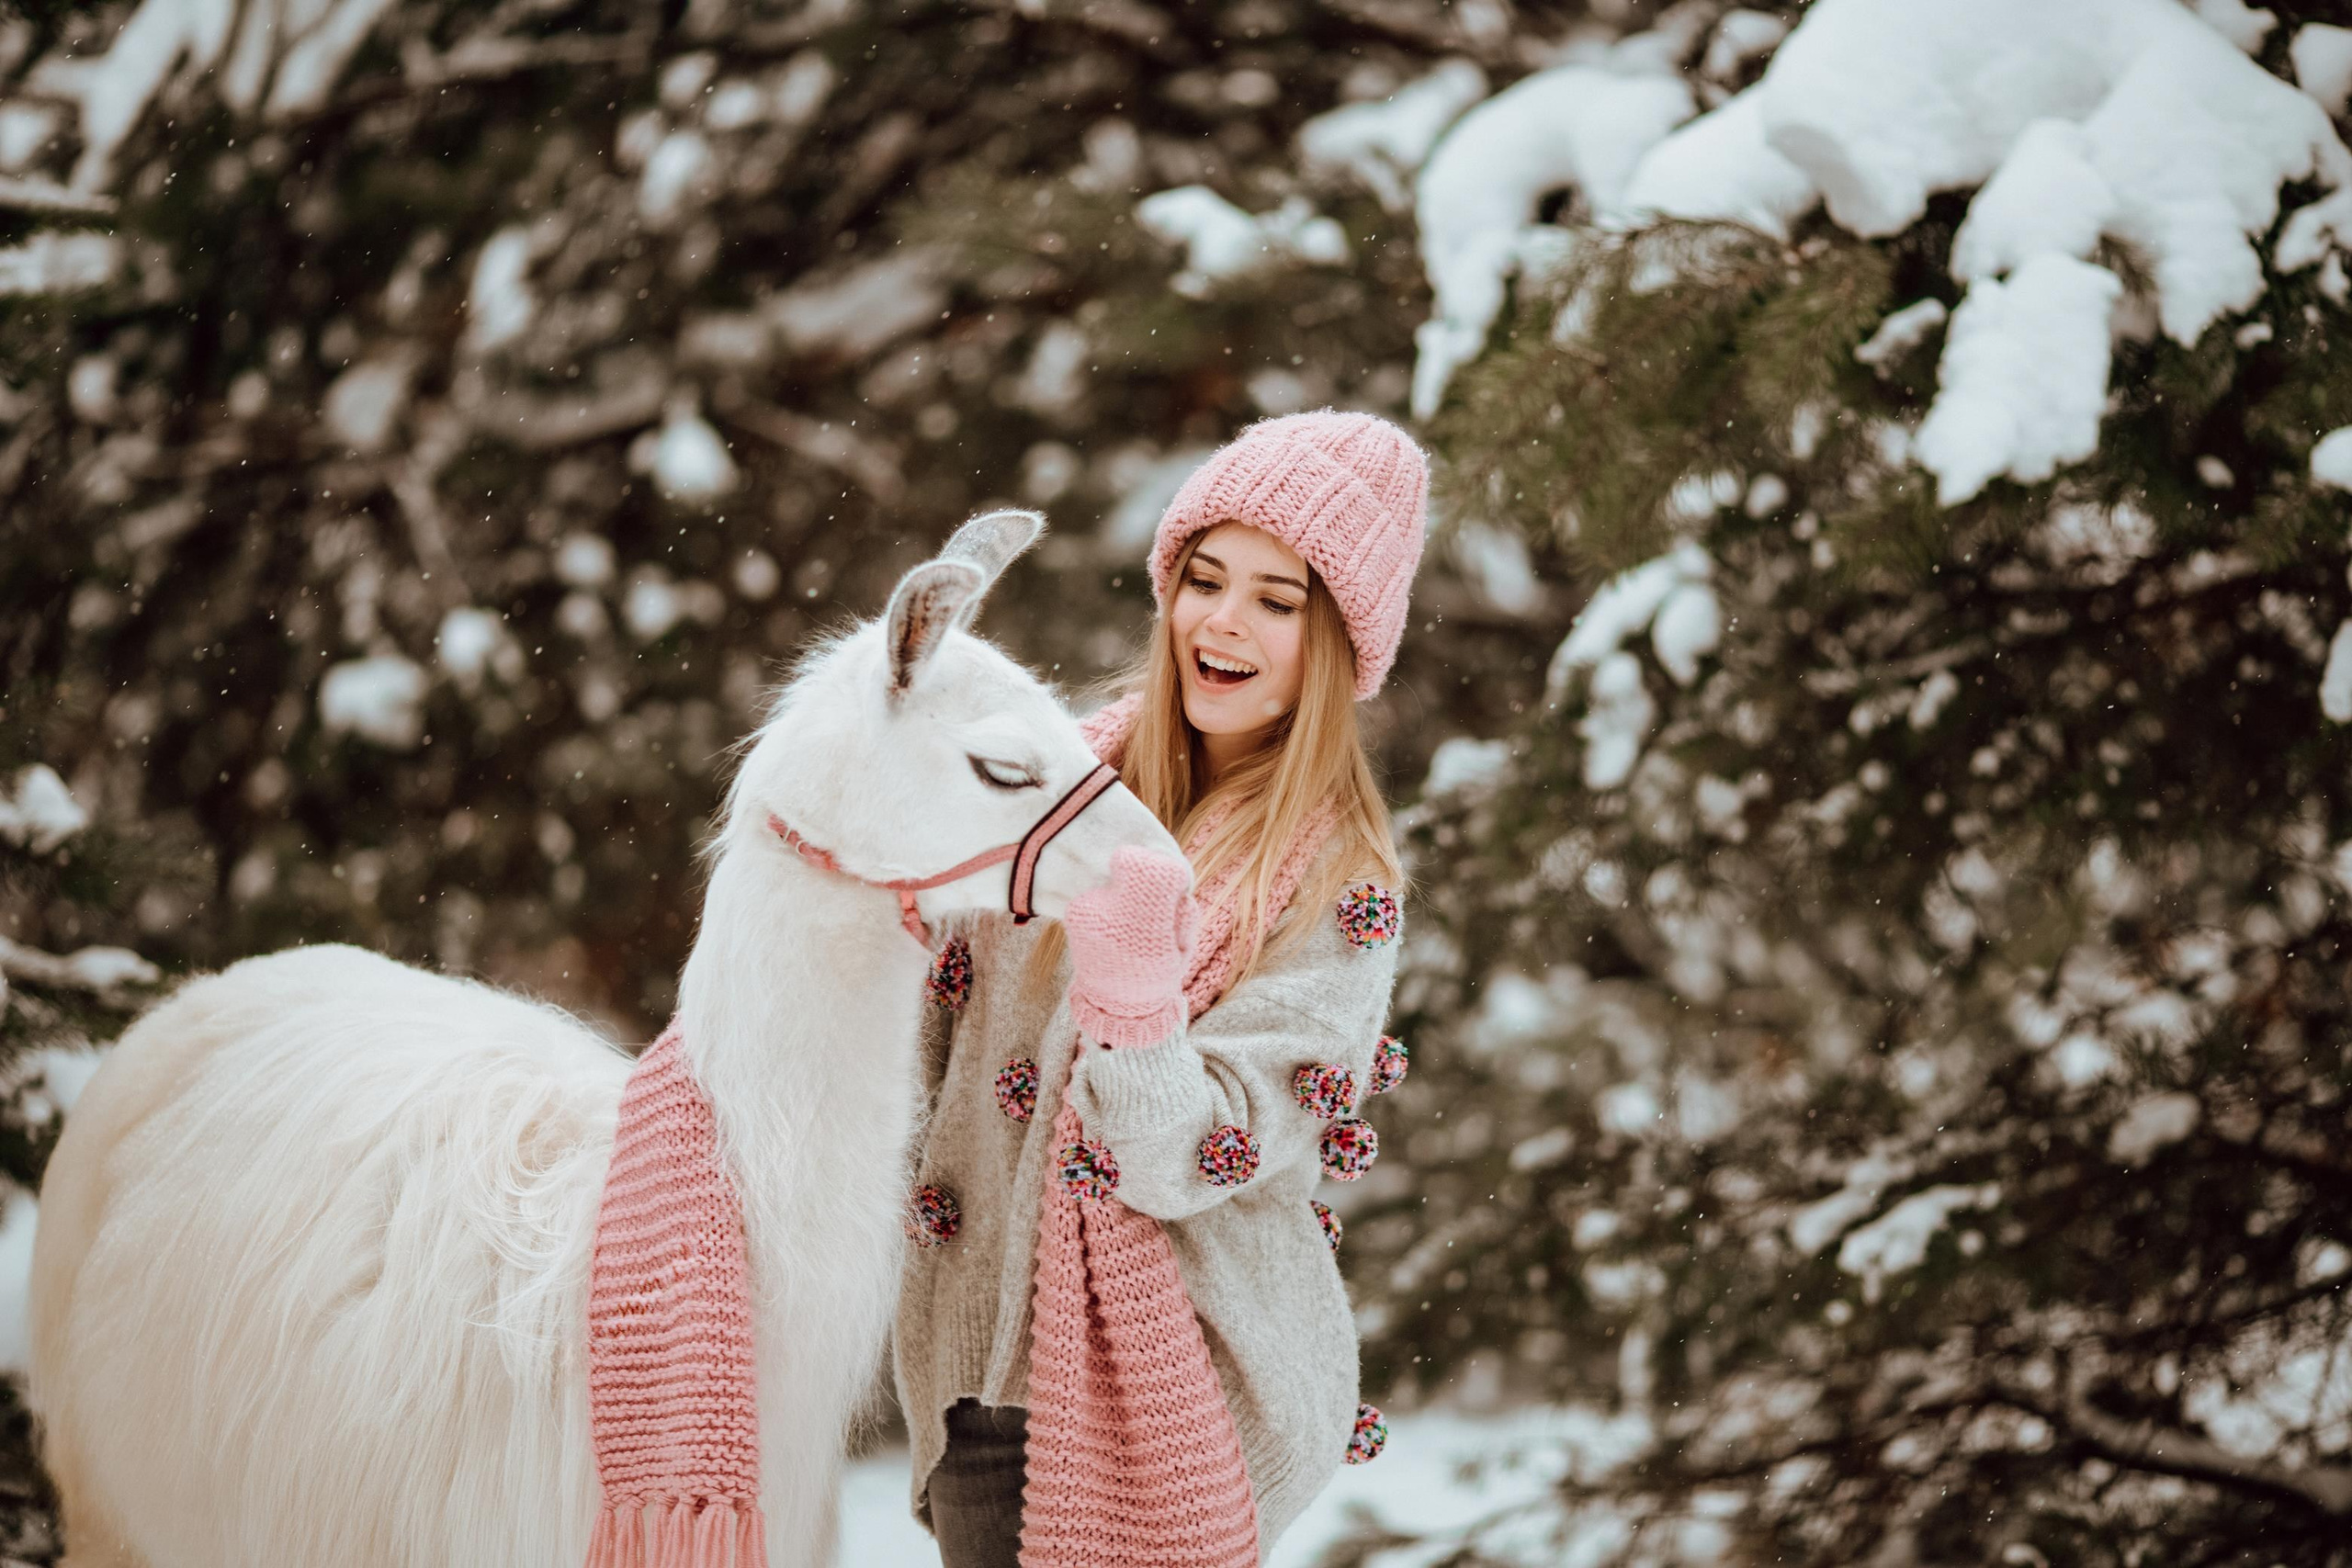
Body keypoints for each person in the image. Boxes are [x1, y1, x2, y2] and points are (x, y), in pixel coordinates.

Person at [895, 410, 1426, 1568]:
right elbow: (917, 1054)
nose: (1223, 622)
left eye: (1278, 601)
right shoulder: (1038, 797)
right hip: (971, 1379)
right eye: (1204, 578)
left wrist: (1136, 1001)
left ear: (1335, 646)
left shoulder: (1340, 885)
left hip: (1169, 1396)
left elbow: (1197, 1154)